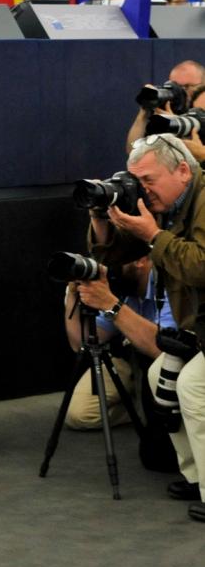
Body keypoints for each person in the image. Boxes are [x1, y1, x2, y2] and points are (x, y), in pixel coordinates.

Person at [90, 134, 205, 519]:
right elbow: (122, 253)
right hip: (198, 327)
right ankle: (196, 476)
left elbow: (200, 265)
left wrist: (152, 234)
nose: (142, 190)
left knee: (192, 387)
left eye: (148, 180)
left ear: (183, 170)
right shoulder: (173, 204)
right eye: (136, 180)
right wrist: (102, 217)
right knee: (161, 375)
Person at [62, 257, 179, 471]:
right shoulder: (123, 287)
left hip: (164, 366)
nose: (107, 270)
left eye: (116, 260)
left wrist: (111, 304)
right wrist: (72, 295)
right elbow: (80, 342)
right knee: (79, 414)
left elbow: (161, 349)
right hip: (126, 360)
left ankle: (143, 408)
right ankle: (133, 405)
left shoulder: (170, 284)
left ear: (141, 261)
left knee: (157, 455)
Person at [125, 59, 205, 155]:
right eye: (176, 87)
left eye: (187, 87)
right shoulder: (163, 116)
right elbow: (133, 152)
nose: (181, 93)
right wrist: (144, 113)